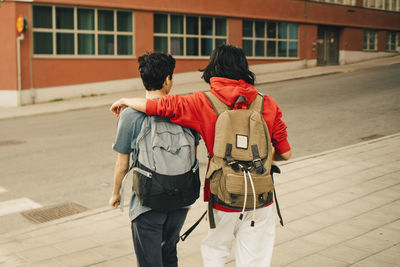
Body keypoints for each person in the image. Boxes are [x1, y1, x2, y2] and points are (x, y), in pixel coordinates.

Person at [110, 44, 292, 267]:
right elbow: (285, 152)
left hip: (223, 196)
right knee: (255, 259)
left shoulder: (201, 102)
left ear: (213, 69)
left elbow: (159, 106)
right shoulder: (267, 103)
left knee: (215, 251)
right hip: (261, 198)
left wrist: (126, 101)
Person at [109, 52, 199, 267]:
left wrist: (115, 193)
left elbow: (122, 164)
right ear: (168, 79)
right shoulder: (185, 112)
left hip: (147, 204)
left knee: (150, 262)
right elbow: (193, 155)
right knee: (169, 254)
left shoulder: (130, 116)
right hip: (180, 201)